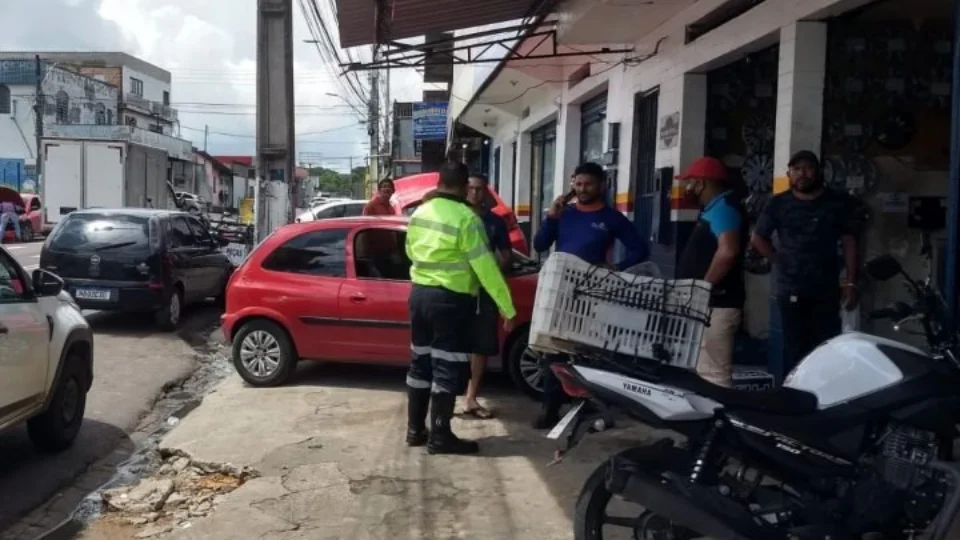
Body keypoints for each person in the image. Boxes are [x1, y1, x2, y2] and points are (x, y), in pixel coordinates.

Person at [405, 161, 517, 455]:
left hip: (419, 296)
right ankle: (440, 437)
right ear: (465, 186)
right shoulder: (467, 219)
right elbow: (486, 267)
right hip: (450, 301)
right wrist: (506, 305)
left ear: (440, 181)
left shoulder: (420, 212)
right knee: (446, 368)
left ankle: (415, 430)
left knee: (420, 363)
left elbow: (408, 251)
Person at [531, 162, 650, 429]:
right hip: (560, 293)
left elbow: (640, 249)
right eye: (578, 184)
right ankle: (550, 408)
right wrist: (551, 217)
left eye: (588, 184)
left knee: (591, 353)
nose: (582, 189)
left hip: (594, 295)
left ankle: (591, 408)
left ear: (601, 186)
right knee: (553, 351)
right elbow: (539, 244)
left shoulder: (611, 218)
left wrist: (615, 269)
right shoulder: (564, 214)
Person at [750, 150, 859, 380]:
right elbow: (758, 238)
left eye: (808, 168)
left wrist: (850, 281)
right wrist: (778, 260)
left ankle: (823, 399)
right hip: (790, 289)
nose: (803, 174)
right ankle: (796, 399)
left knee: (826, 348)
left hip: (826, 289)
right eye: (797, 169)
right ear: (789, 174)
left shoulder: (836, 203)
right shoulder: (778, 204)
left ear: (818, 172)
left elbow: (849, 241)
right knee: (795, 349)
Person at [675, 157, 747, 388]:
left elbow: (728, 252)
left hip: (718, 305)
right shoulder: (714, 208)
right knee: (703, 370)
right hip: (709, 306)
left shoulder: (724, 209)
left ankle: (720, 419)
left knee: (714, 375)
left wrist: (703, 288)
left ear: (701, 184)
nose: (686, 188)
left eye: (689, 183)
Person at [462, 173, 512, 420]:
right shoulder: (456, 217)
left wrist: (492, 273)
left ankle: (471, 397)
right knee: (455, 345)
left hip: (484, 293)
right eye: (470, 188)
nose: (474, 193)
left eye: (479, 189)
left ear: (486, 193)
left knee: (480, 346)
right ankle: (450, 397)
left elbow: (505, 255)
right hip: (457, 290)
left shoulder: (495, 222)